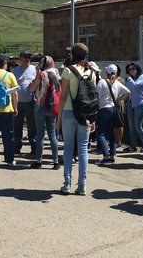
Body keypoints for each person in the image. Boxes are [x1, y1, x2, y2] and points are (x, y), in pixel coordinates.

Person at [56, 43, 96, 196]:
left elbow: (63, 95)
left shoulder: (67, 71)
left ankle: (67, 183)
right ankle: (82, 185)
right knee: (83, 149)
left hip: (68, 112)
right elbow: (93, 98)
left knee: (68, 147)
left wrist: (58, 118)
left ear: (73, 55)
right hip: (85, 115)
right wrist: (93, 119)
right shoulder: (91, 72)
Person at [30, 55, 61, 170]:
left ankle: (39, 161)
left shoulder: (41, 74)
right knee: (52, 134)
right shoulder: (56, 73)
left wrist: (37, 71)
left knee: (40, 135)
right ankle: (55, 161)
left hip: (40, 106)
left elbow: (32, 89)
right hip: (52, 107)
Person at [96, 64, 130, 165]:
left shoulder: (102, 81)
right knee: (111, 133)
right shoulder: (117, 83)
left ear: (106, 72)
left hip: (103, 108)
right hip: (112, 108)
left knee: (100, 134)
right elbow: (128, 92)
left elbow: (97, 96)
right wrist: (117, 99)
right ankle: (112, 155)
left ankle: (106, 155)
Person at [12, 50, 37, 155]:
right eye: (25, 57)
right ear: (20, 58)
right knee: (17, 126)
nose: (28, 59)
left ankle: (34, 147)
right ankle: (17, 147)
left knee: (32, 126)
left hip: (31, 102)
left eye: (29, 57)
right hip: (18, 102)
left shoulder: (34, 69)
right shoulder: (15, 71)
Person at [125, 63, 143, 152]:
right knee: (131, 126)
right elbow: (129, 90)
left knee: (137, 126)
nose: (131, 71)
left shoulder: (142, 77)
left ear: (137, 69)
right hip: (131, 103)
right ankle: (133, 145)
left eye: (133, 69)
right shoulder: (131, 79)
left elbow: (135, 86)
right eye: (129, 70)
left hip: (140, 103)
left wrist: (130, 79)